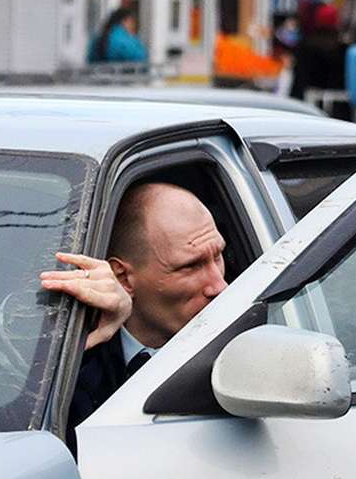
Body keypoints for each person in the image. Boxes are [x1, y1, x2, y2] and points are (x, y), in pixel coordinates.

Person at [42, 183, 228, 453]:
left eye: (218, 256)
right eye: (191, 266)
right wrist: (84, 337)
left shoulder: (240, 336)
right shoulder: (80, 345)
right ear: (122, 277)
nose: (220, 286)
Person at [290, 2, 351, 119]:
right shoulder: (344, 50)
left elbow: (298, 81)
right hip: (338, 112)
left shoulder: (305, 47)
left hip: (307, 109)